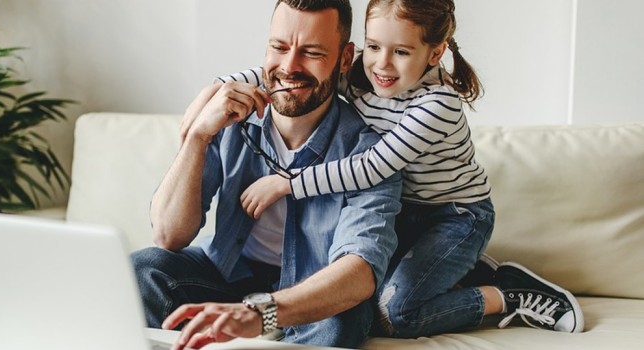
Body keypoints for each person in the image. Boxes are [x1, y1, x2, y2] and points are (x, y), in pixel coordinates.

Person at [213, 0, 584, 337]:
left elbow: (372, 167)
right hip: (404, 213)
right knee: (349, 294)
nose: (382, 64)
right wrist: (215, 92)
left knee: (394, 314)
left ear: (435, 52)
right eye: (373, 47)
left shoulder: (437, 105)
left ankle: (505, 294)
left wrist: (285, 183)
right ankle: (462, 269)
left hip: (454, 217)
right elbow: (292, 77)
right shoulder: (362, 79)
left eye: (401, 52)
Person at [133, 0, 403, 348]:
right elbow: (170, 236)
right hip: (229, 276)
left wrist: (263, 313)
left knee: (344, 317)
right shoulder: (230, 118)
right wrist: (198, 136)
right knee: (144, 269)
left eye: (312, 52)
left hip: (312, 291)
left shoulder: (372, 153)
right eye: (279, 47)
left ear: (345, 58)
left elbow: (359, 272)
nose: (289, 67)